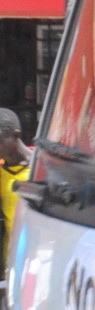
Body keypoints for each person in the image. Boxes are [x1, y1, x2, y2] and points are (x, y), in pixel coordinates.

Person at [0, 109, 28, 277]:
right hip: (11, 263)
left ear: (15, 136)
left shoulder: (40, 169)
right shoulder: (2, 172)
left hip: (36, 261)